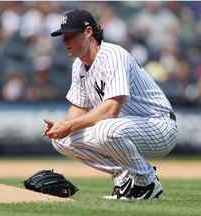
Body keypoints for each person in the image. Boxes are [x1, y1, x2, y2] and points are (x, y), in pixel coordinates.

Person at [44, 9, 177, 200]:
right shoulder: (79, 65)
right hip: (127, 129)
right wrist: (61, 127)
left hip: (159, 125)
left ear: (88, 32)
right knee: (61, 140)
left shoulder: (113, 55)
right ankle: (125, 179)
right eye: (63, 37)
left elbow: (110, 110)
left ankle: (147, 182)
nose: (65, 42)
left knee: (106, 129)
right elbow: (79, 108)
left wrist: (69, 126)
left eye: (70, 36)